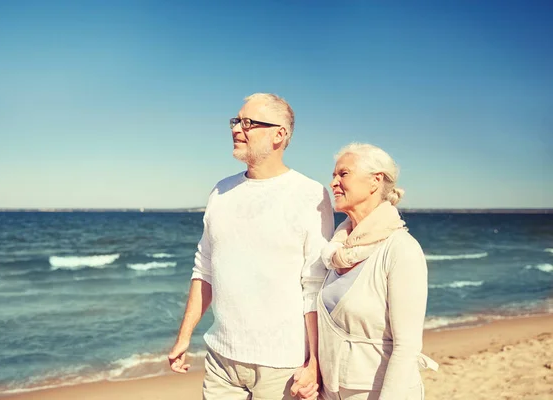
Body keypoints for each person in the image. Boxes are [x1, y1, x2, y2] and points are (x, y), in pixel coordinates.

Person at [168, 93, 334, 400]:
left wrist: (315, 363)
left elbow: (315, 285)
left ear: (279, 134)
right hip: (221, 358)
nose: (236, 129)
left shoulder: (310, 194)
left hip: (282, 365)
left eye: (248, 123)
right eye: (235, 121)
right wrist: (184, 337)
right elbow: (204, 268)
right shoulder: (221, 190)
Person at [318, 143, 438, 400]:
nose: (333, 183)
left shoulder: (401, 249)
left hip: (376, 392)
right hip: (331, 392)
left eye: (343, 174)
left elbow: (407, 347)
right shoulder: (335, 249)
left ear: (375, 180)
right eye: (333, 175)